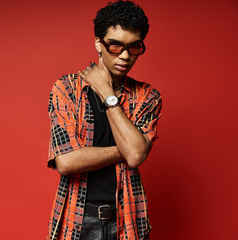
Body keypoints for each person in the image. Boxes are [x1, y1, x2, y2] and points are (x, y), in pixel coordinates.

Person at [46, 1, 162, 239]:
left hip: (128, 219)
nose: (126, 55)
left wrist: (108, 94)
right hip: (77, 220)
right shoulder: (66, 89)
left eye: (134, 47)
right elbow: (66, 162)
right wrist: (129, 149)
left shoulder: (147, 97)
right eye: (115, 46)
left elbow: (136, 155)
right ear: (99, 43)